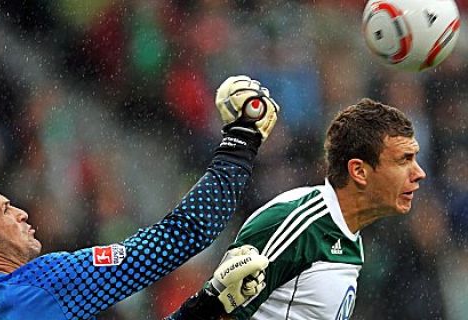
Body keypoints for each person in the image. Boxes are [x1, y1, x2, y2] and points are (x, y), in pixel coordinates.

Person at [0, 75, 280, 320]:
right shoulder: (43, 285)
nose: (20, 213)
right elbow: (182, 235)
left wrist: (207, 305)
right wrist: (241, 141)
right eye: (4, 211)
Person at [171, 98, 427, 320]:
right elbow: (217, 310)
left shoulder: (351, 238)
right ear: (359, 171)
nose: (419, 173)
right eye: (403, 160)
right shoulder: (292, 224)